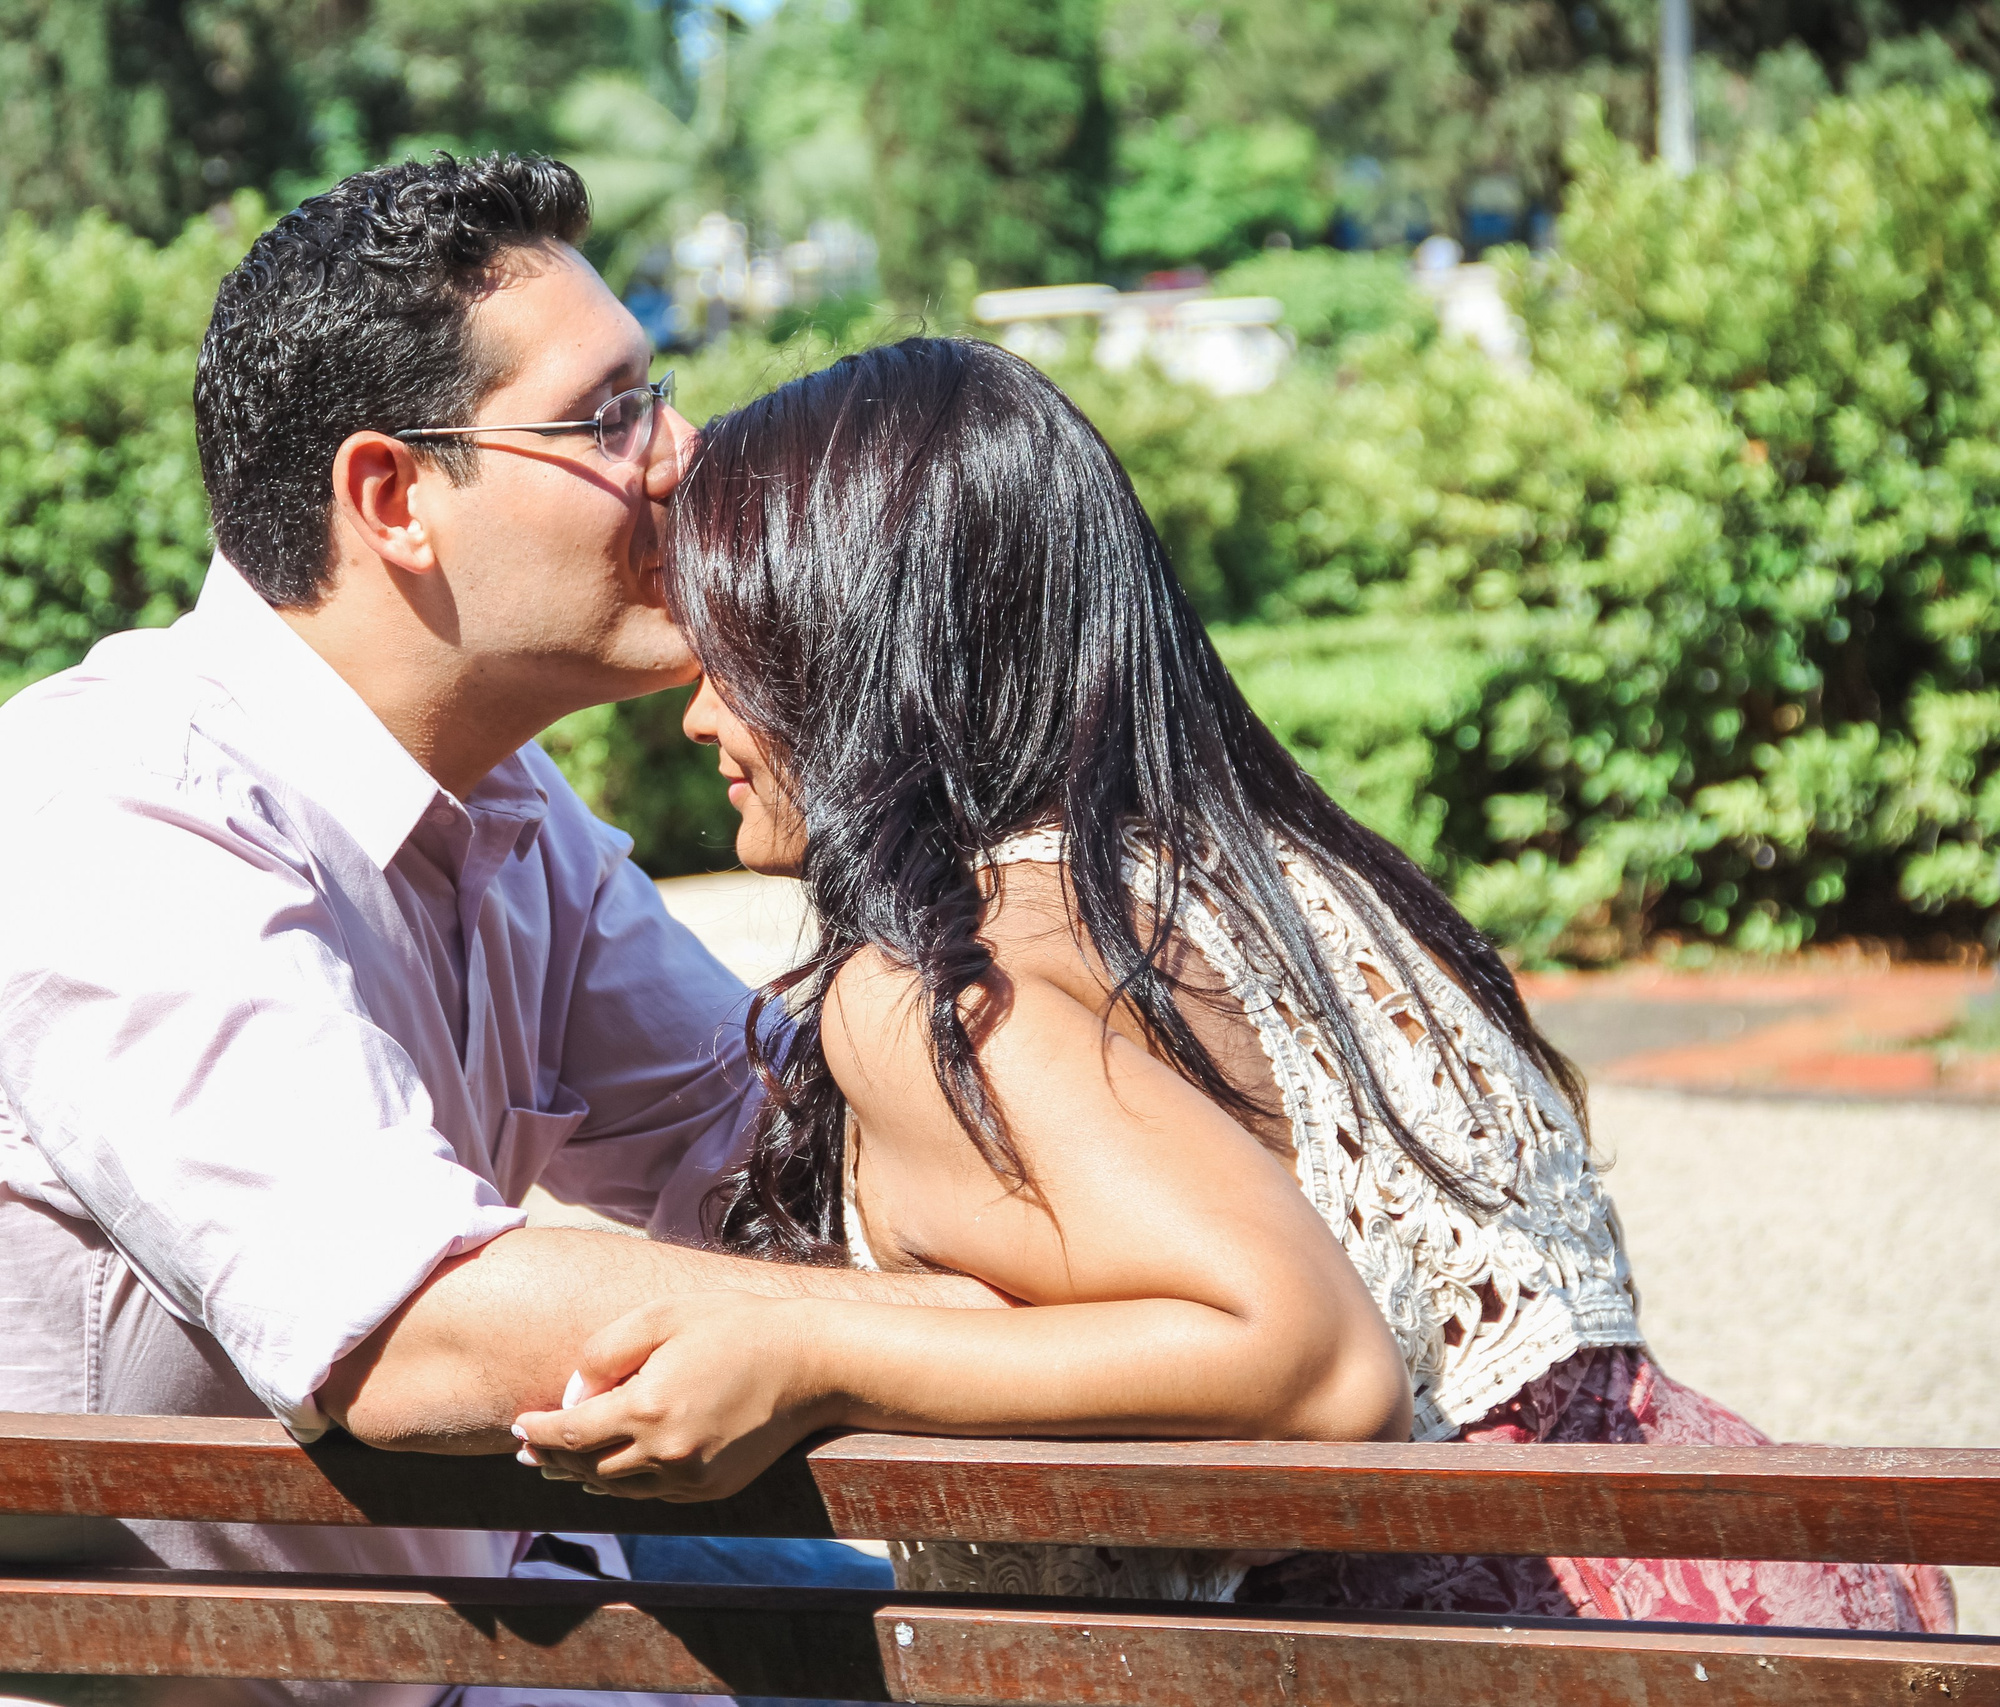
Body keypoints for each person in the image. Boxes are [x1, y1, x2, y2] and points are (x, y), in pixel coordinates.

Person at [510, 336, 1956, 1633]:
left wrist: (806, 1346)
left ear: (861, 652)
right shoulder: (1286, 878)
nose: (700, 708)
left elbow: (1315, 1369)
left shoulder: (944, 989)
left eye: (738, 650)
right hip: (1740, 1605)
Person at [0, 160, 993, 1707]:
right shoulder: (118, 813)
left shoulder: (503, 804)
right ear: (393, 499)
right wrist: (943, 1332)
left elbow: (762, 1149)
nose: (689, 457)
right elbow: (411, 1329)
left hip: (450, 1624)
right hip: (156, 1683)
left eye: (660, 394)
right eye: (609, 414)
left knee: (1046, 1648)